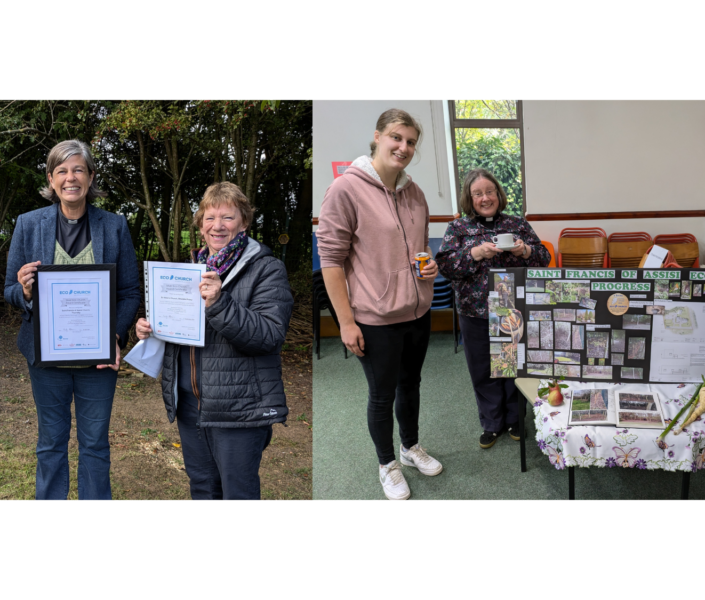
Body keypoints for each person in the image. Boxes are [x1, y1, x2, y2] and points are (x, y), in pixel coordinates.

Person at [134, 182, 293, 500]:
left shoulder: (266, 269)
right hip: (190, 405)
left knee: (238, 492)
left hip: (238, 408)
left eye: (227, 217)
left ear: (244, 222)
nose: (217, 226)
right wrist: (153, 329)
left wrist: (220, 302)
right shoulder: (190, 270)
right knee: (203, 488)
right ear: (200, 225)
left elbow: (269, 335)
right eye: (209, 218)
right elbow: (182, 331)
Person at [316, 108, 441, 501]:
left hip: (417, 311)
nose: (403, 147)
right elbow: (331, 261)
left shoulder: (415, 192)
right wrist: (346, 322)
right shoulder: (346, 189)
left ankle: (409, 447)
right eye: (396, 138)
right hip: (374, 318)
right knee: (382, 394)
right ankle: (386, 463)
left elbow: (417, 249)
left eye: (410, 142)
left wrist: (428, 265)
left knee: (411, 385)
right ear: (378, 137)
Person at [4, 140, 140, 500]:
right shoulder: (29, 224)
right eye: (62, 171)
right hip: (46, 359)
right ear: (51, 179)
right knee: (51, 442)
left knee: (95, 443)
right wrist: (25, 291)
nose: (70, 178)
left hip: (97, 359)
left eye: (78, 169)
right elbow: (9, 290)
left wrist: (114, 335)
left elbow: (129, 292)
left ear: (91, 176)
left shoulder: (114, 226)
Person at [436, 168, 550, 449]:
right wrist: (475, 253)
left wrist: (523, 251)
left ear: (499, 194)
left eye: (490, 192)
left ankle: (514, 419)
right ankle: (491, 423)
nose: (485, 198)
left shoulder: (517, 224)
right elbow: (446, 267)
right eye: (478, 194)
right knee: (482, 369)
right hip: (473, 309)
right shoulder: (458, 228)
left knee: (511, 367)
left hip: (510, 307)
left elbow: (543, 258)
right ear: (469, 198)